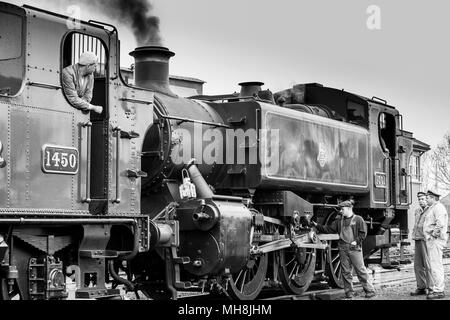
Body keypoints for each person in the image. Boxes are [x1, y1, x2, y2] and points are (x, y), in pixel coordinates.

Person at [312, 200, 376, 299]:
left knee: (360, 270)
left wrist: (357, 241)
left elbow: (363, 233)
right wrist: (317, 225)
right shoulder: (339, 221)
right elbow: (328, 229)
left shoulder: (358, 219)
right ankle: (349, 293)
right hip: (343, 248)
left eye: (342, 209)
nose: (341, 211)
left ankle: (370, 290)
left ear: (348, 208)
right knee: (346, 272)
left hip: (354, 248)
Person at [423, 190, 448, 299]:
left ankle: (439, 290)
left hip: (435, 240)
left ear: (433, 198)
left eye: (427, 197)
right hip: (433, 240)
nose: (426, 199)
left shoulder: (438, 207)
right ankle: (437, 288)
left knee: (436, 265)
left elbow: (440, 224)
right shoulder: (433, 208)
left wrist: (433, 236)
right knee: (434, 265)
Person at [410, 192, 433, 296]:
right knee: (418, 265)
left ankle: (431, 287)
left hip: (426, 240)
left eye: (423, 199)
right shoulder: (417, 211)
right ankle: (421, 287)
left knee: (428, 265)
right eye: (419, 199)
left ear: (427, 200)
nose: (421, 201)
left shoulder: (431, 211)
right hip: (417, 239)